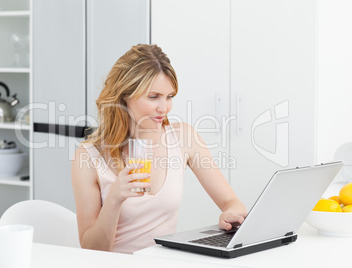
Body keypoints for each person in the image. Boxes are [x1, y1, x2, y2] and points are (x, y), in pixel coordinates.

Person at [71, 44, 247, 254]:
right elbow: (91, 249)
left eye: (169, 96)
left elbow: (232, 202)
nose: (164, 108)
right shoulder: (89, 157)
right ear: (124, 95)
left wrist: (232, 213)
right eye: (153, 97)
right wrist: (114, 199)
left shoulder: (184, 138)